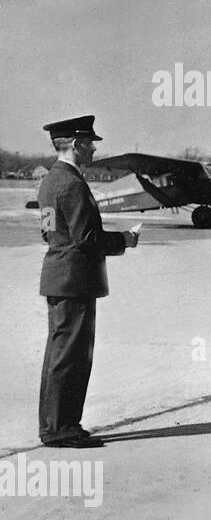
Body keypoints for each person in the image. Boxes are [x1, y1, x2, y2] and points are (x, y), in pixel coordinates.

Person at [37, 115, 140, 448]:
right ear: (75, 144)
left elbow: (47, 231)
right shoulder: (72, 183)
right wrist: (124, 240)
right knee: (71, 356)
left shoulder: (51, 180)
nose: (93, 149)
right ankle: (61, 427)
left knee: (60, 353)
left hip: (59, 277)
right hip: (74, 281)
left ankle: (56, 424)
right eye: (89, 143)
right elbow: (87, 239)